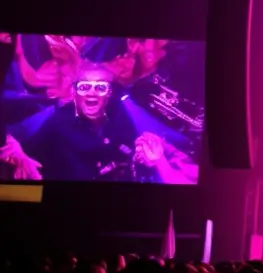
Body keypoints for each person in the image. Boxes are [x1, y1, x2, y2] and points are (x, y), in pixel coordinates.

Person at [0, 62, 197, 183]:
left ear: (109, 94)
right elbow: (8, 137)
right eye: (85, 87)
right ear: (75, 92)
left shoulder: (122, 118)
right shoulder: (55, 117)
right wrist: (17, 153)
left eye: (100, 87)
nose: (92, 93)